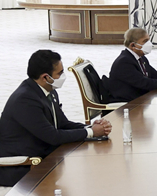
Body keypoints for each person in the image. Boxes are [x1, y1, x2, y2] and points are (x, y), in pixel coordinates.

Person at [0, 50, 112, 186]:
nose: (63, 76)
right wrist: (91, 132)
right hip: (24, 166)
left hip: (46, 155)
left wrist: (91, 127)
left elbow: (62, 123)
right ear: (45, 77)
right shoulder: (25, 99)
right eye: (60, 73)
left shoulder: (49, 90)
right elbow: (52, 136)